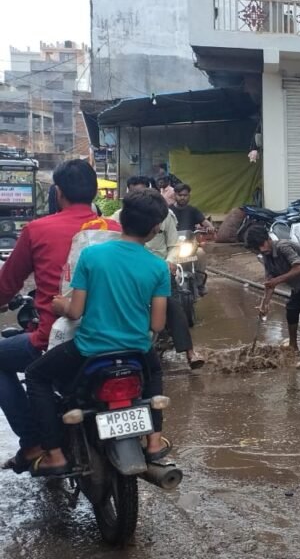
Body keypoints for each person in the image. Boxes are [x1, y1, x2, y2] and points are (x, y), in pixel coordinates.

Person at [24, 189, 174, 475]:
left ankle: (55, 454)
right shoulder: (158, 267)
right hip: (136, 351)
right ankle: (154, 441)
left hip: (89, 350)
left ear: (123, 218)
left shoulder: (92, 255)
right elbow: (157, 325)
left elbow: (75, 312)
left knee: (35, 375)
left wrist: (60, 305)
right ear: (155, 229)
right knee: (154, 373)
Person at [0, 160, 121, 473]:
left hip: (53, 339)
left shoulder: (37, 229)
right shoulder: (116, 230)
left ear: (58, 192)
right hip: (116, 337)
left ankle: (32, 443)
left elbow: (8, 283)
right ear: (95, 192)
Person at [114, 176, 204, 368]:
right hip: (128, 273)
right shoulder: (118, 217)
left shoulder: (165, 216)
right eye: (134, 193)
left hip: (161, 269)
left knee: (174, 306)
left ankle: (189, 351)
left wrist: (169, 263)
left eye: (142, 192)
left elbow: (174, 245)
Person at [246, 226, 300, 368]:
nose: (262, 249)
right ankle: (293, 346)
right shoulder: (266, 256)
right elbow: (269, 282)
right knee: (291, 309)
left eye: (262, 244)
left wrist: (278, 280)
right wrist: (264, 305)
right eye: (258, 247)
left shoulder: (283, 247)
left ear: (268, 239)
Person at [170, 183, 211, 296]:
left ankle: (199, 284)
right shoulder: (168, 211)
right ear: (175, 195)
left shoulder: (193, 210)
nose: (183, 197)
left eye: (185, 195)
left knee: (201, 253)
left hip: (189, 245)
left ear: (189, 196)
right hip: (172, 245)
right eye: (180, 195)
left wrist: (210, 227)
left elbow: (205, 222)